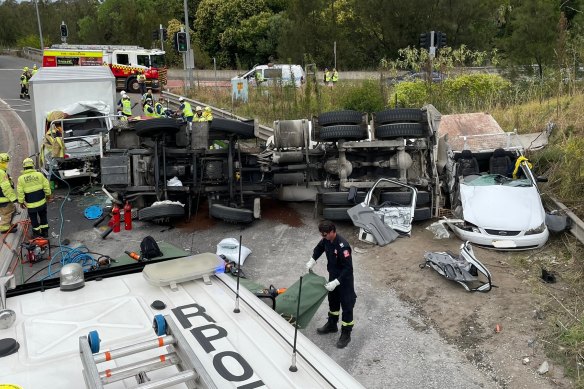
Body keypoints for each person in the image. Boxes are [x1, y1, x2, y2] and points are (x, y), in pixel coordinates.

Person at [306, 220, 356, 349]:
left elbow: (348, 268)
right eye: (322, 235)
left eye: (326, 234)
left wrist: (337, 282)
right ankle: (332, 325)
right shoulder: (326, 240)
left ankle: (346, 333)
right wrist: (312, 260)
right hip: (333, 276)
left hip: (344, 280)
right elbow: (319, 248)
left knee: (347, 305)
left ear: (333, 231)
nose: (324, 237)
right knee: (333, 301)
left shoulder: (342, 246)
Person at [17, 158, 51, 238]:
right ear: (33, 166)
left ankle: (36, 234)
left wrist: (21, 202)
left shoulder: (21, 179)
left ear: (24, 167)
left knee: (33, 219)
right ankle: (45, 232)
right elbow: (46, 187)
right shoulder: (39, 175)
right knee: (43, 216)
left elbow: (20, 192)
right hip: (42, 202)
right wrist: (48, 196)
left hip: (31, 205)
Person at [0, 153, 17, 234]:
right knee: (8, 212)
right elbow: (6, 188)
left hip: (2, 197)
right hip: (3, 198)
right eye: (5, 162)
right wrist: (14, 198)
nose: (6, 164)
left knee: (11, 210)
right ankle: (5, 228)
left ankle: (8, 224)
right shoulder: (1, 173)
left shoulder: (2, 171)